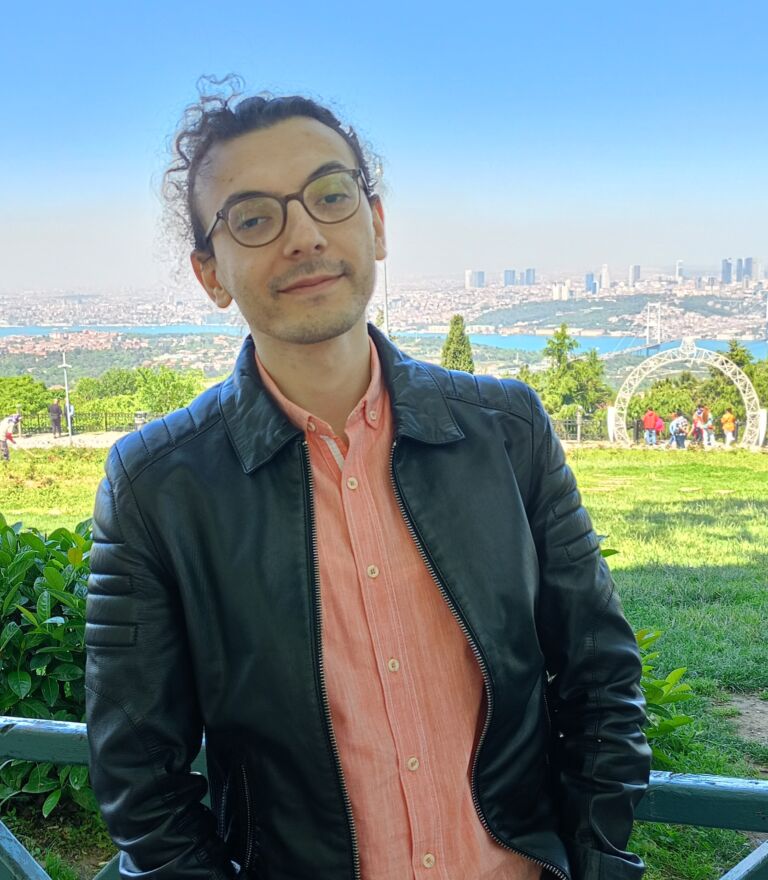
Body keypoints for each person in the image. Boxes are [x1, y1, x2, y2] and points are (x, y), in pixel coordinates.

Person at [85, 87, 651, 880]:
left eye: (330, 196)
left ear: (376, 224)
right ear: (210, 274)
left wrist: (596, 859)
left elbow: (600, 677)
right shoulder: (157, 487)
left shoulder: (508, 432)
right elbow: (140, 776)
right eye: (253, 218)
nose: (304, 236)